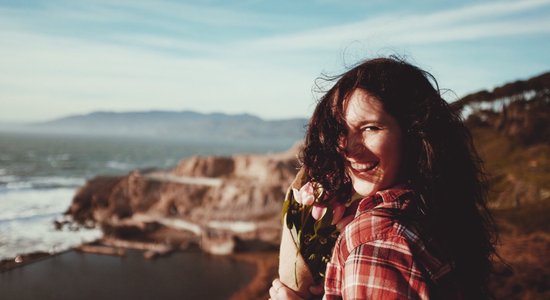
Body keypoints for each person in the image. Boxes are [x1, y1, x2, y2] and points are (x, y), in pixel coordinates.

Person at [270, 57, 497, 299]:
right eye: (341, 130)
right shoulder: (435, 210)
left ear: (413, 133)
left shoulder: (376, 241)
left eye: (370, 128)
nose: (347, 147)